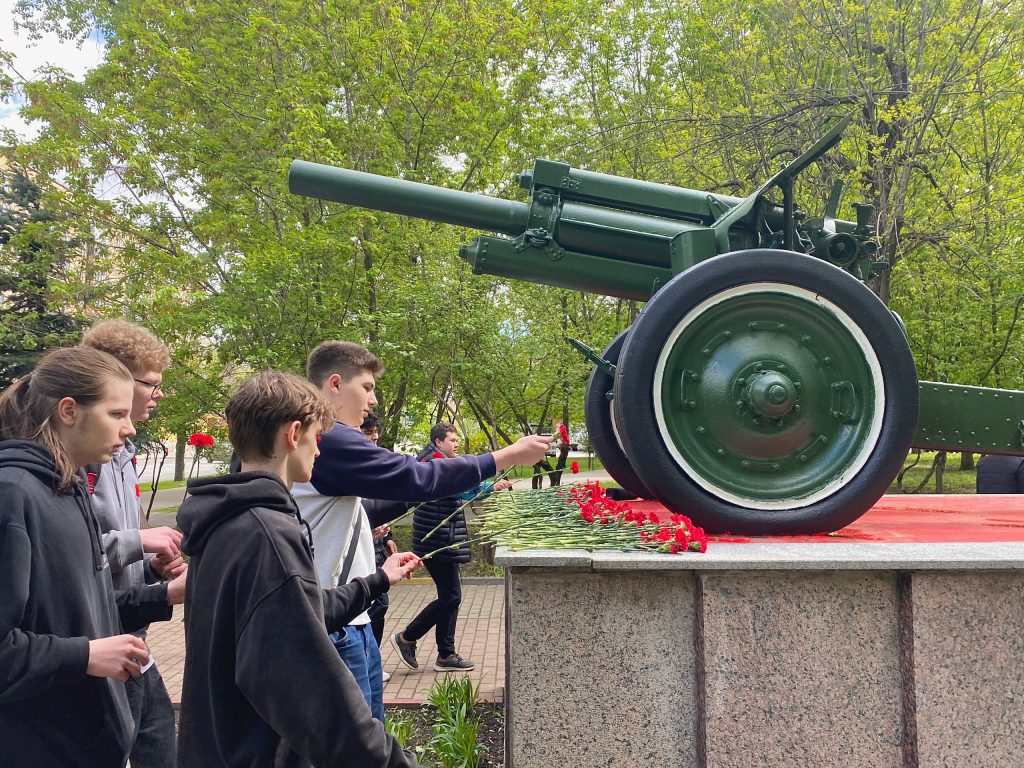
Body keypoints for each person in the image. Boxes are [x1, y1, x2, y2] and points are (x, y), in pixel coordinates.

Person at [292, 340, 551, 721]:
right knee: (357, 740)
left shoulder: (322, 439)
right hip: (335, 623)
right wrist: (507, 456)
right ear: (334, 384)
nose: (373, 401)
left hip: (349, 618)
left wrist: (415, 500)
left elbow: (366, 506)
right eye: (367, 387)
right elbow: (415, 476)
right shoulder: (329, 436)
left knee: (367, 733)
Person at [175, 370, 423, 768]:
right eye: (316, 438)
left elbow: (298, 611)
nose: (319, 452)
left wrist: (379, 579)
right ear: (293, 434)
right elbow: (312, 690)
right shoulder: (267, 535)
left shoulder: (227, 519)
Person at [0, 347, 185, 767]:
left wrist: (164, 594)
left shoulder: (69, 488)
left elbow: (83, 609)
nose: (129, 428)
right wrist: (84, 655)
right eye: (116, 414)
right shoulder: (13, 494)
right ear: (68, 411)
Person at [81, 319, 184, 768]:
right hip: (97, 636)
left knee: (159, 743)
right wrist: (137, 540)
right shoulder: (83, 459)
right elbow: (69, 552)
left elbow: (113, 554)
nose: (159, 394)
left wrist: (151, 568)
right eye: (152, 384)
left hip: (128, 626)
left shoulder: (120, 454)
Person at [392, 422, 512, 672]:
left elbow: (461, 488)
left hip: (442, 539)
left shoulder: (435, 460)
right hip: (436, 541)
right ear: (438, 442)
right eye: (452, 440)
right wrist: (489, 487)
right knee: (451, 597)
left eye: (457, 440)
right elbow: (461, 491)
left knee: (450, 597)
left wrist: (488, 486)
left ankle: (446, 655)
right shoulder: (432, 463)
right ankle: (407, 637)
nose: (456, 444)